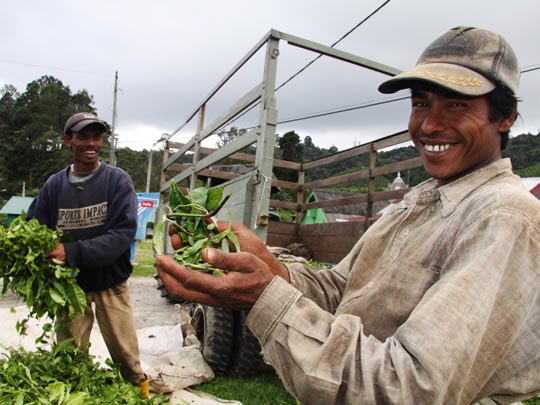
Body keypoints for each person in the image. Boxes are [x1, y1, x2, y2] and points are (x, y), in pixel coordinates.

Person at [156, 26, 540, 404]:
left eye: (457, 104)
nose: (429, 124)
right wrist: (269, 266)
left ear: (504, 117)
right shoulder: (414, 203)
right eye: (421, 102)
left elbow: (408, 388)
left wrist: (263, 298)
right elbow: (340, 292)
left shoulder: (503, 216)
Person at [27, 112, 149, 397]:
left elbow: (121, 235)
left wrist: (69, 251)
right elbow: (36, 227)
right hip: (71, 285)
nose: (91, 143)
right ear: (69, 140)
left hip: (110, 281)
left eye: (97, 136)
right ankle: (73, 396)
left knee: (126, 354)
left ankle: (140, 395)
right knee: (68, 354)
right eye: (83, 136)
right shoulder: (54, 186)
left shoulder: (117, 181)